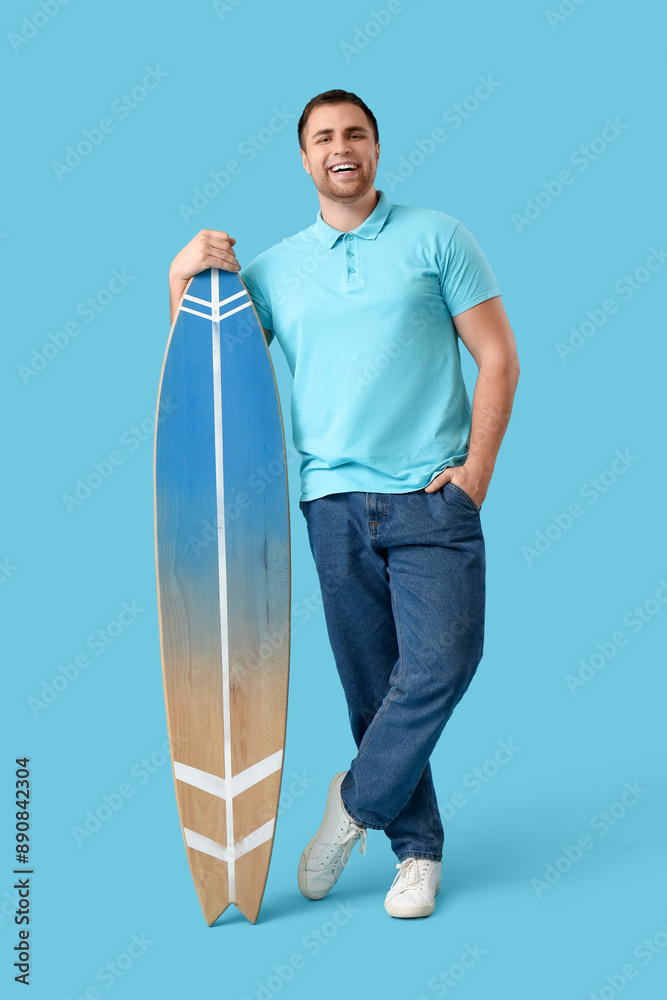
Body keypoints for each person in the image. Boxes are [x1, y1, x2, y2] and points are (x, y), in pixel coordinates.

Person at [168, 89, 520, 919]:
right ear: (304, 159)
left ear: (375, 147)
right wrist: (179, 278)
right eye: (323, 137)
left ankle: (353, 803)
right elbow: (215, 379)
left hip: (431, 496)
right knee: (373, 689)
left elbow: (499, 357)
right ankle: (416, 853)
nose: (341, 147)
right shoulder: (271, 270)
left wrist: (475, 473)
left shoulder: (437, 237)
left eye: (354, 133)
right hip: (331, 503)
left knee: (443, 662)